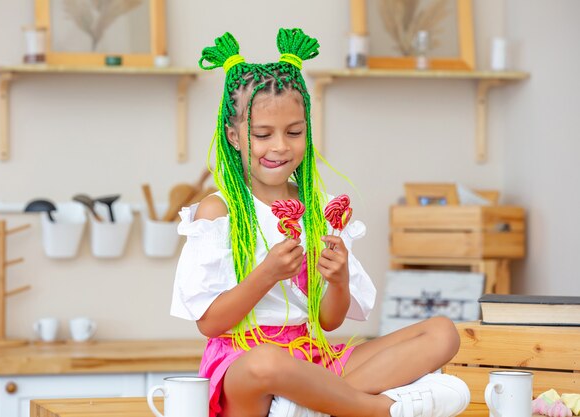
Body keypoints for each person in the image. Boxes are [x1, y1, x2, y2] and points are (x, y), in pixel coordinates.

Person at [170, 28, 470, 417]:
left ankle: (309, 406)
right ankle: (377, 410)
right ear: (235, 137)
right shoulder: (217, 212)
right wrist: (268, 273)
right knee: (267, 362)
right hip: (243, 368)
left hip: (313, 357)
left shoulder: (319, 208)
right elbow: (209, 323)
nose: (280, 146)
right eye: (262, 134)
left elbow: (328, 321)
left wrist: (339, 279)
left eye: (294, 132)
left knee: (442, 332)